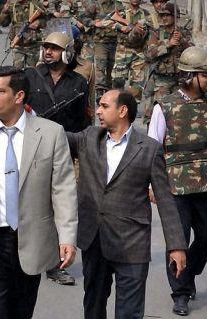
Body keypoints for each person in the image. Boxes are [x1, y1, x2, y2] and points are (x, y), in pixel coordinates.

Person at [0, 66, 78, 319]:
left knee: (21, 312)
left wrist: (67, 237)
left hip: (30, 241)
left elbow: (63, 190)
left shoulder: (51, 134)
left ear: (19, 96)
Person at [67, 90, 187, 319]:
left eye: (104, 106)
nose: (98, 111)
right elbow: (58, 137)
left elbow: (165, 199)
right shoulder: (89, 137)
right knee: (93, 305)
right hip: (95, 239)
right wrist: (28, 118)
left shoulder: (149, 148)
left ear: (122, 111)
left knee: (129, 312)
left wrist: (177, 246)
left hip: (132, 244)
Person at [148, 46, 207, 316]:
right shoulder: (165, 106)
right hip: (175, 187)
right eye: (205, 75)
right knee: (178, 242)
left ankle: (189, 274)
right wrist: (151, 184)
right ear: (189, 77)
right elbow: (152, 148)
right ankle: (181, 293)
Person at [22, 32, 89, 286]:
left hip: (65, 151)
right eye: (46, 47)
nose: (48, 52)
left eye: (55, 48)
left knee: (59, 207)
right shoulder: (29, 76)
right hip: (32, 149)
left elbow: (84, 122)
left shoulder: (79, 83)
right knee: (30, 204)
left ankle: (53, 263)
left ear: (68, 53)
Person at [143, 2, 193, 124]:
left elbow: (193, 53)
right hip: (161, 81)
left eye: (168, 15)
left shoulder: (183, 33)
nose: (164, 18)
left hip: (180, 80)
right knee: (157, 114)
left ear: (176, 17)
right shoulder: (157, 33)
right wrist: (168, 44)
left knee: (179, 115)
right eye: (162, 15)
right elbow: (149, 54)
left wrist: (182, 40)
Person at [110, 0, 158, 100]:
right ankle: (117, 102)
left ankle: (133, 106)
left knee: (137, 82)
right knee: (118, 79)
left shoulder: (146, 14)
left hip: (139, 51)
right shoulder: (121, 12)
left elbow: (154, 29)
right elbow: (109, 22)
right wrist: (120, 26)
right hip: (123, 49)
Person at [0, 0, 48, 69]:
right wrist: (4, 12)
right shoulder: (12, 7)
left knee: (31, 72)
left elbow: (46, 20)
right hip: (18, 45)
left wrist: (38, 22)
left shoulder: (36, 5)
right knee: (17, 71)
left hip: (33, 45)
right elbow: (3, 23)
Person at [91, 0, 122, 97]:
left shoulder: (118, 5)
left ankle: (108, 93)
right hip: (100, 42)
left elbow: (124, 20)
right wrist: (95, 23)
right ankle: (99, 93)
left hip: (114, 41)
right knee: (100, 67)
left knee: (111, 68)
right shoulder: (96, 4)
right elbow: (83, 18)